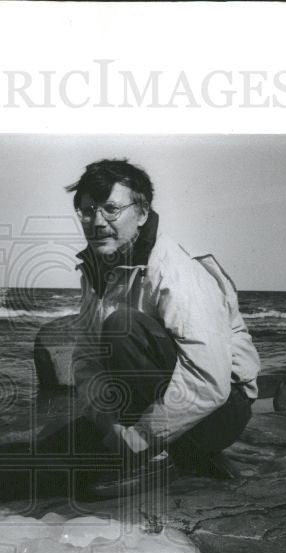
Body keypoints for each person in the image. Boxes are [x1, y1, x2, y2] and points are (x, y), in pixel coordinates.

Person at [37, 158, 260, 495]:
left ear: (141, 214)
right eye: (87, 210)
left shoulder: (174, 269)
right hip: (153, 400)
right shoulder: (97, 269)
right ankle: (173, 449)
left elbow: (209, 379)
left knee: (123, 327)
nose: (97, 222)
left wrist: (140, 436)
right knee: (49, 451)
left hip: (222, 410)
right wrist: (107, 422)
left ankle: (164, 454)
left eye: (111, 209)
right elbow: (86, 359)